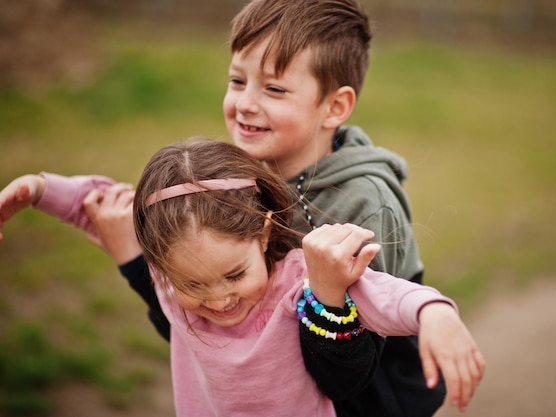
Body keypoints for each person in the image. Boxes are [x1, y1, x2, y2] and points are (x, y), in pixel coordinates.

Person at [0, 0, 462, 414]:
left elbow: (347, 373)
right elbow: (217, 340)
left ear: (334, 106)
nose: (244, 103)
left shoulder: (364, 205)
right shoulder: (240, 172)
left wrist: (429, 311)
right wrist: (43, 189)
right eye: (238, 80)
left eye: (274, 89)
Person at [1, 139, 485, 416]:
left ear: (264, 230)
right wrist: (39, 189)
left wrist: (435, 313)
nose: (217, 298)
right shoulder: (171, 277)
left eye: (233, 274)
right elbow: (99, 205)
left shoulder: (298, 278)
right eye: (193, 285)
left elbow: (385, 293)